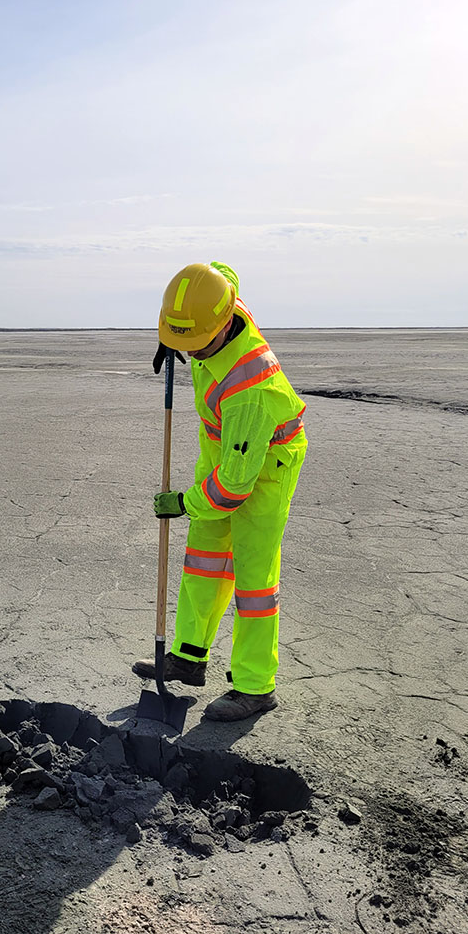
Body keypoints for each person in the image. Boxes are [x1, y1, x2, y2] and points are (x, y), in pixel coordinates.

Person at [133, 262, 307, 721]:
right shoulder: (216, 302)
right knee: (204, 560)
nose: (191, 351)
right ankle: (189, 658)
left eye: (195, 343)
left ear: (224, 323)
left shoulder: (251, 388)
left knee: (253, 578)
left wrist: (183, 504)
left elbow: (232, 488)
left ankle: (255, 687)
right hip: (223, 449)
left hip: (264, 466)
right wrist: (174, 339)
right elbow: (221, 272)